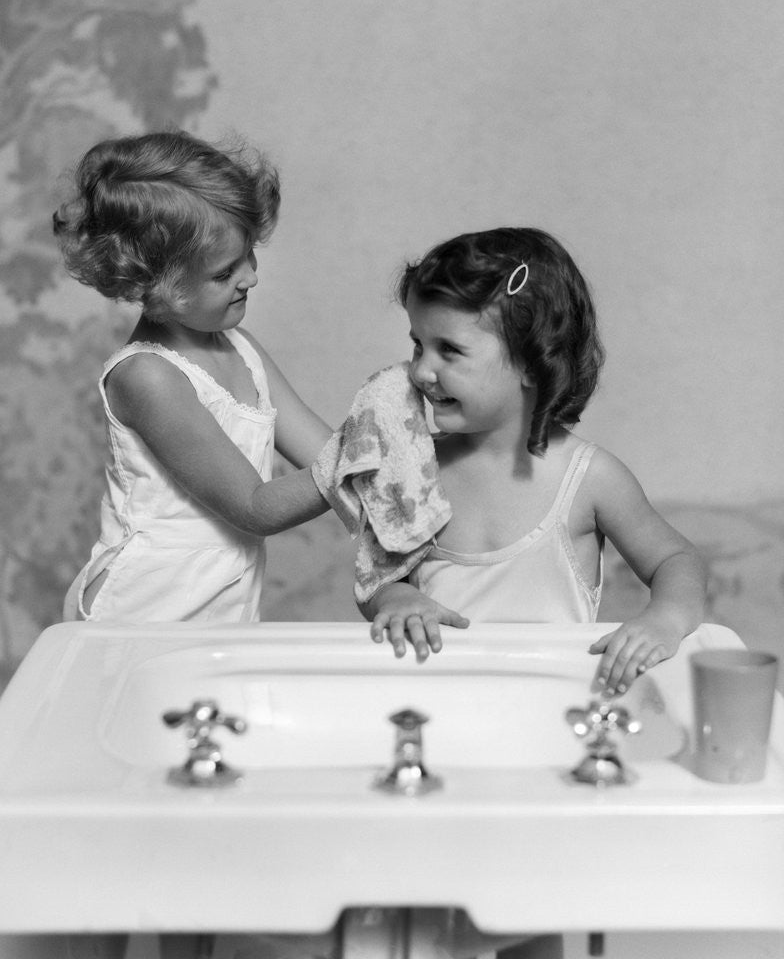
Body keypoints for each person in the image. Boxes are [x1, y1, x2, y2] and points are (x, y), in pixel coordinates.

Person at [362, 227, 707, 701]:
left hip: (557, 705)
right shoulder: (414, 466)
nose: (421, 371)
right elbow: (379, 576)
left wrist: (663, 619)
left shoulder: (589, 479)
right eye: (419, 344)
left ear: (532, 362)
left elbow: (677, 559)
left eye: (450, 350)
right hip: (440, 704)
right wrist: (395, 597)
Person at [54, 129, 330, 624]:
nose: (251, 277)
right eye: (225, 273)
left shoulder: (243, 351)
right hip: (145, 609)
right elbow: (256, 507)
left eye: (249, 254)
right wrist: (375, 458)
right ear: (156, 285)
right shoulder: (148, 377)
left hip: (221, 607)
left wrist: (410, 442)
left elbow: (328, 455)